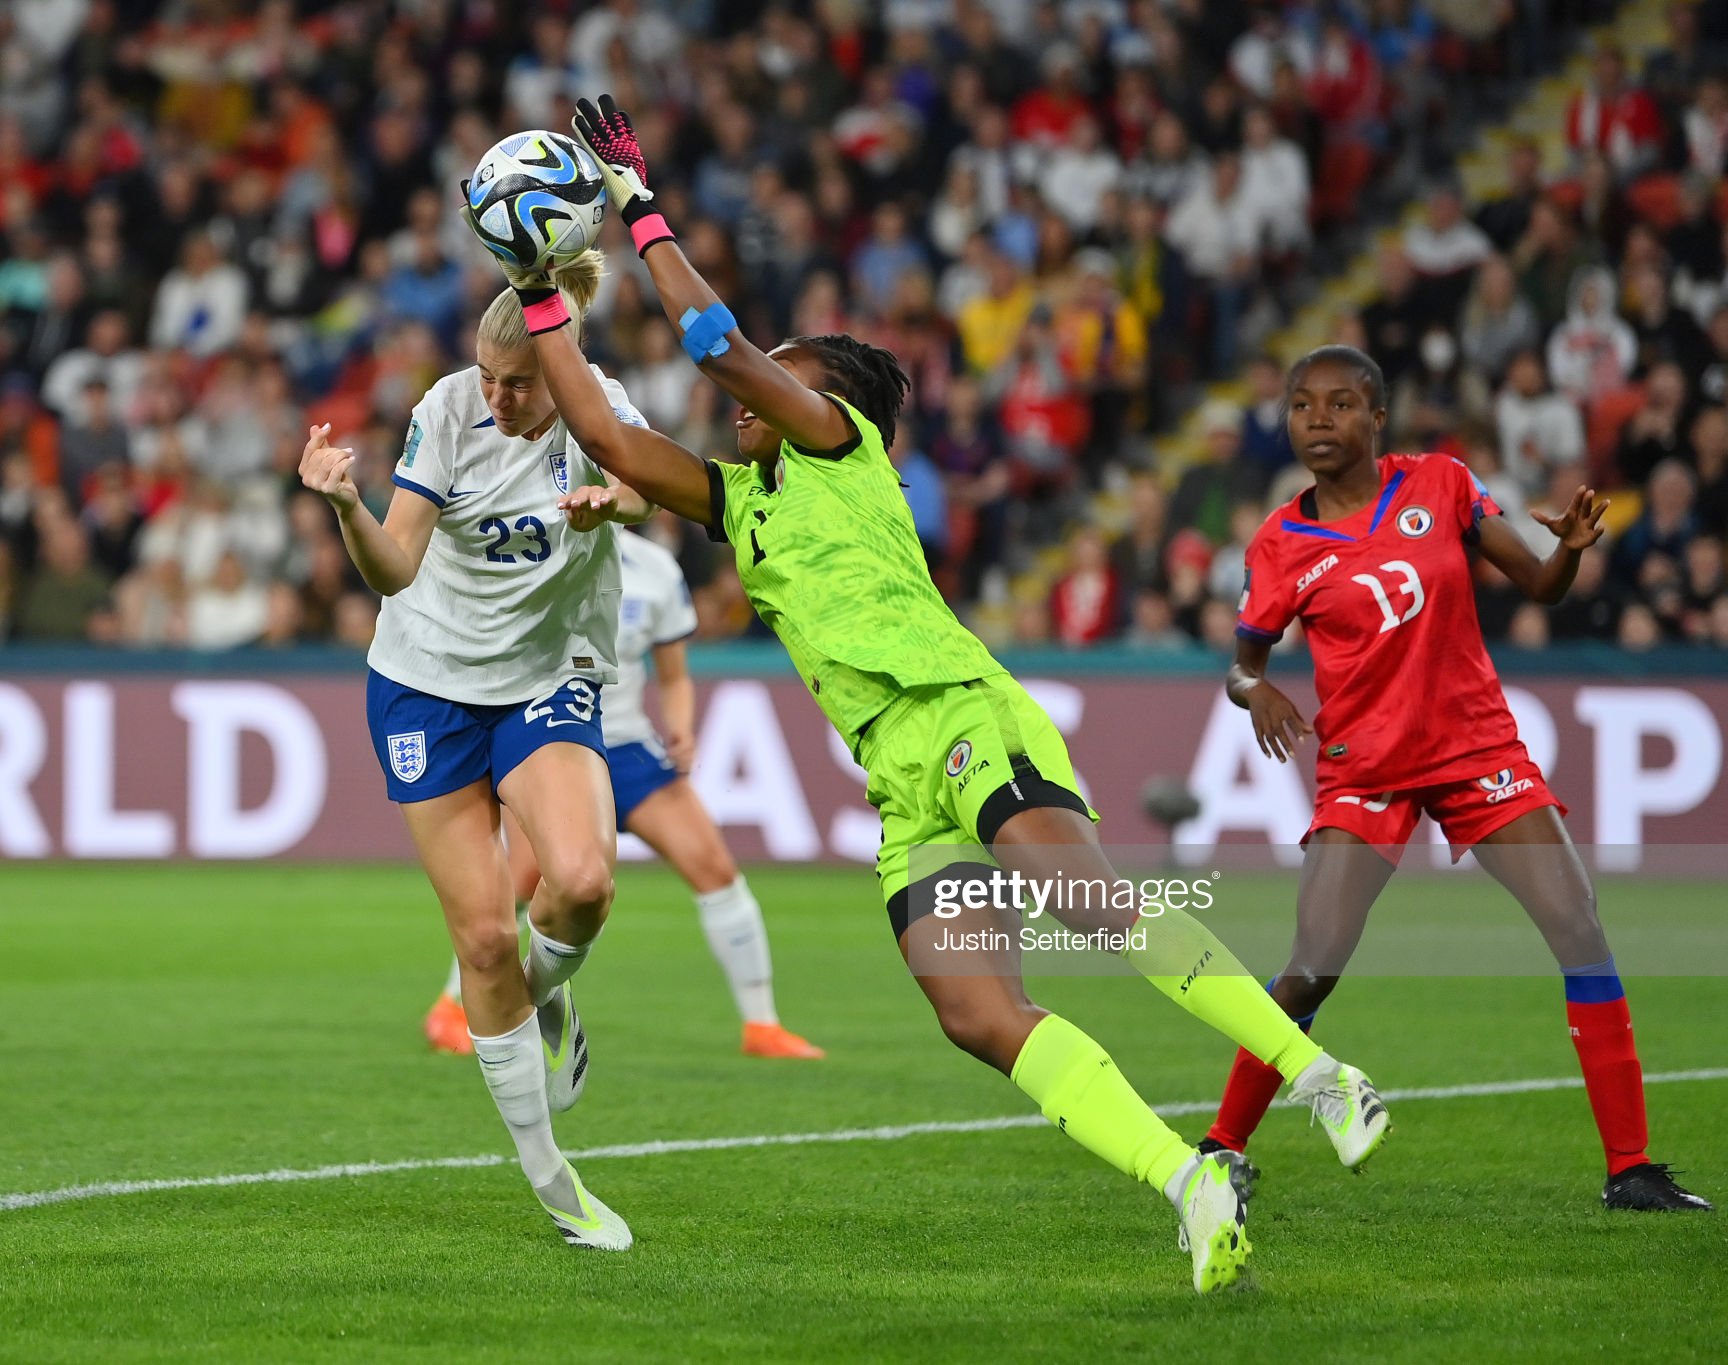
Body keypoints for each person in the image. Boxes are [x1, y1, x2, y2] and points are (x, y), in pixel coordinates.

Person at [464, 95, 1397, 1295]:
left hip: (960, 715)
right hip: (900, 784)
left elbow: (710, 344)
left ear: (827, 398)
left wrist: (639, 208)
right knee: (974, 1014)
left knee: (1091, 905)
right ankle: (1189, 1182)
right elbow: (596, 425)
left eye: (776, 381)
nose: (745, 400)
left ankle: (1322, 1079)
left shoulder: (838, 443)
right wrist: (540, 288)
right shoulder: (733, 500)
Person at [1205, 344, 1712, 1214]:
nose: (1317, 420)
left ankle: (1631, 1167)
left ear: (1377, 417)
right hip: (1365, 766)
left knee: (1579, 926)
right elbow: (1243, 665)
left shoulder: (1440, 482)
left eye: (1338, 404)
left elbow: (1540, 585)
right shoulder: (1280, 543)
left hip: (1476, 750)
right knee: (1314, 965)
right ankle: (1219, 1149)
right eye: (1300, 406)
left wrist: (1572, 553)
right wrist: (1259, 693)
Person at [297, 249, 652, 1252]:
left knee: (581, 882)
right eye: (488, 379)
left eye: (519, 386)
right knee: (485, 943)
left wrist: (609, 502)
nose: (497, 398)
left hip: (541, 679)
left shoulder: (600, 408)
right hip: (424, 686)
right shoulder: (448, 410)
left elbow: (651, 494)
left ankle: (548, 994)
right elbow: (396, 569)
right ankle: (555, 1185)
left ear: (562, 373)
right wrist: (343, 507)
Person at [422, 526, 827, 1062]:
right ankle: (450, 1006)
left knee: (714, 868)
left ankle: (762, 1025)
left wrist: (680, 727)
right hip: (550, 741)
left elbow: (674, 674)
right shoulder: (538, 540)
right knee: (519, 882)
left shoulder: (657, 569)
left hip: (627, 745)